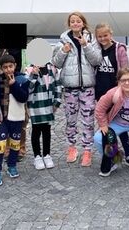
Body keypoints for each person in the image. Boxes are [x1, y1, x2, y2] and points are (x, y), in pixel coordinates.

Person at [51, 12, 102, 166]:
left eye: (78, 21)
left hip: (87, 87)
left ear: (83, 23)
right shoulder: (62, 41)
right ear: (69, 24)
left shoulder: (91, 39)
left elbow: (97, 60)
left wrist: (85, 45)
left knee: (88, 120)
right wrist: (63, 51)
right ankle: (72, 148)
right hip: (70, 87)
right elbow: (56, 63)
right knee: (70, 119)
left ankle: (87, 150)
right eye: (72, 21)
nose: (75, 23)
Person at [94, 22, 129, 171]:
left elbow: (125, 70)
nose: (103, 38)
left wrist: (124, 89)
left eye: (105, 35)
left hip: (116, 94)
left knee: (121, 124)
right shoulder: (95, 50)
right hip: (100, 94)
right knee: (108, 128)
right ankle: (114, 156)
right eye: (100, 36)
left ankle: (128, 155)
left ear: (111, 34)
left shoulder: (118, 49)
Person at [0, 54, 30, 185]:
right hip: (3, 119)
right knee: (0, 145)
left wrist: (14, 85)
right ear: (1, 68)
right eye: (5, 67)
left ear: (15, 66)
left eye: (10, 66)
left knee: (15, 144)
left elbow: (23, 98)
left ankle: (12, 165)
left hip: (16, 119)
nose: (8, 70)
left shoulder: (22, 80)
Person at [26, 62, 63, 170]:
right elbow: (28, 89)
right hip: (35, 106)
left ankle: (47, 155)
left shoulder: (53, 68)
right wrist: (34, 75)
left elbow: (58, 85)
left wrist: (57, 102)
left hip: (49, 105)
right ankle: (37, 156)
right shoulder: (29, 69)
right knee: (36, 131)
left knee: (47, 131)